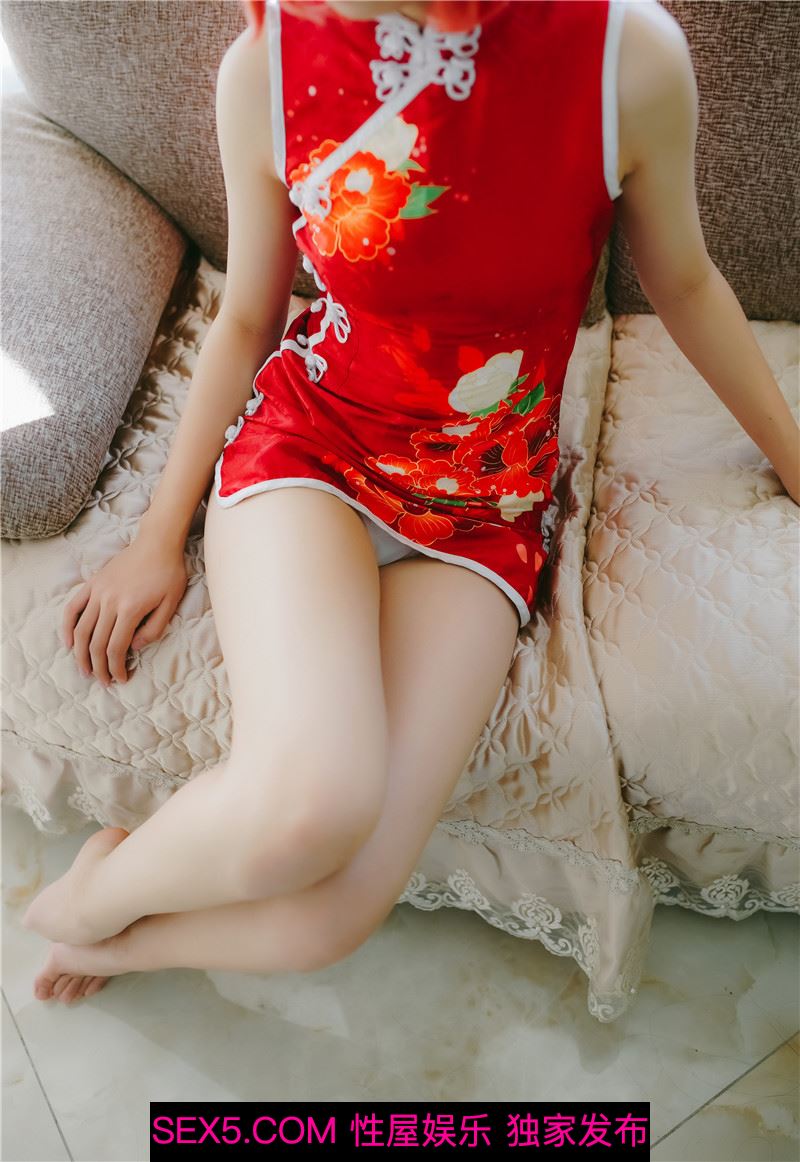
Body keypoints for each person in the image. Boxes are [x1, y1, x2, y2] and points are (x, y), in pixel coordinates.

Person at [22, 0, 800, 1004]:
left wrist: (791, 455)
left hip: (485, 511)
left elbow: (684, 284)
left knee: (329, 920)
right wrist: (158, 536)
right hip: (316, 448)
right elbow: (250, 313)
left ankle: (109, 928)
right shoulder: (269, 63)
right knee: (309, 810)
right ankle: (77, 908)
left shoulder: (623, 53)